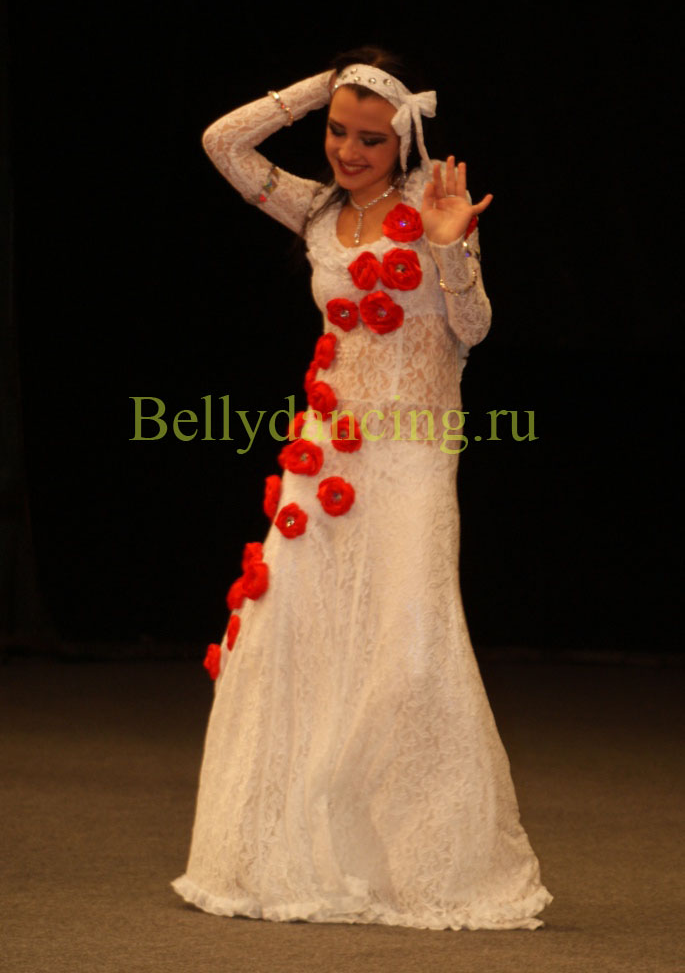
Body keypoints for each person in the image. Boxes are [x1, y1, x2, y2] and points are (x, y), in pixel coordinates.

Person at [172, 47, 553, 931]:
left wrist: (450, 248)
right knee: (295, 637)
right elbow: (223, 143)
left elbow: (472, 329)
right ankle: (295, 856)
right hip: (327, 454)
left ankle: (416, 866)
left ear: (405, 140)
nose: (348, 151)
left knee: (410, 646)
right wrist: (325, 86)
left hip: (412, 454)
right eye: (338, 132)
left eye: (371, 138)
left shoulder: (434, 204)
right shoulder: (314, 209)